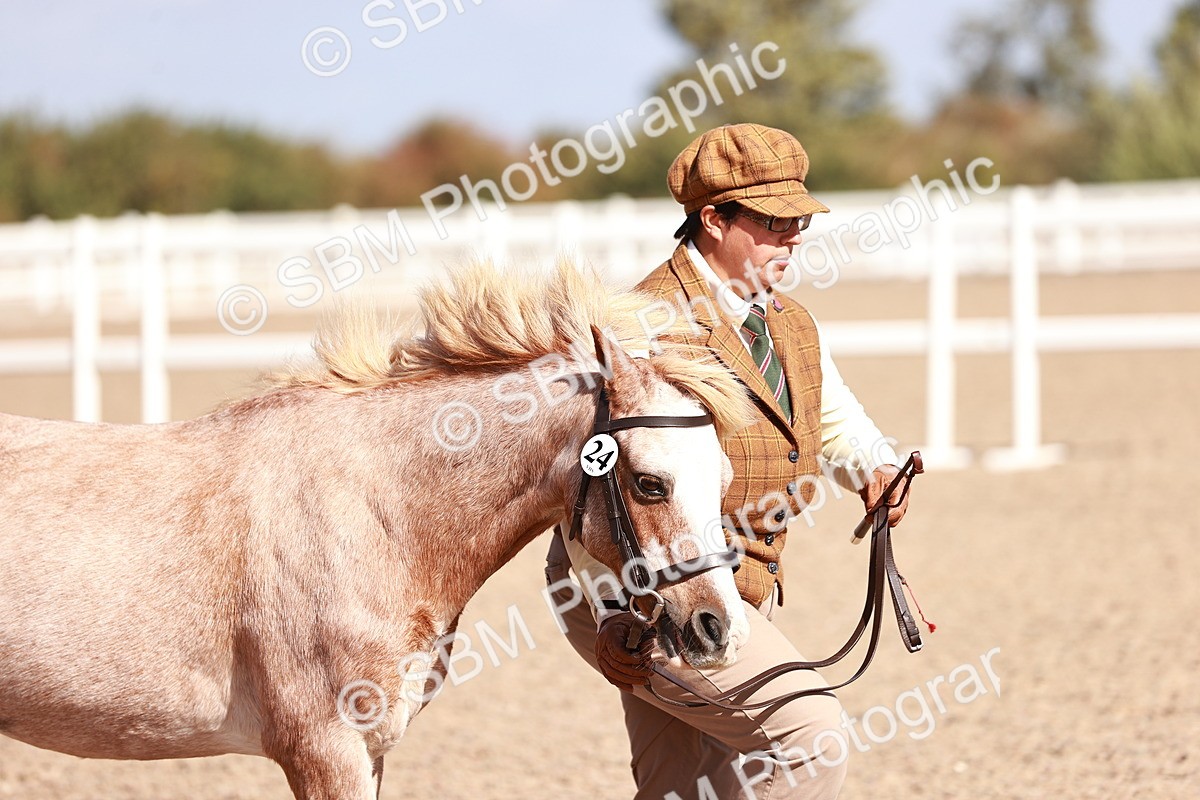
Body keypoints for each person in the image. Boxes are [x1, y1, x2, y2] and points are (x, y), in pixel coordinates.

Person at [544, 123, 911, 800]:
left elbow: (828, 411)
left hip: (734, 577)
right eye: (774, 222)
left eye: (799, 220)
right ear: (713, 219)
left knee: (685, 787)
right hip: (650, 588)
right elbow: (592, 485)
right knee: (810, 737)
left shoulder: (789, 322)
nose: (793, 237)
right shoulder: (641, 327)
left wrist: (873, 466)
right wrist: (612, 609)